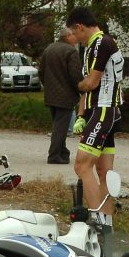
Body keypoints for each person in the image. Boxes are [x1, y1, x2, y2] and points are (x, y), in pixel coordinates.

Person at [66, 7, 124, 223]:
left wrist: (77, 85)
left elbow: (90, 83)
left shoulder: (103, 43)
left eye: (74, 33)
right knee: (103, 171)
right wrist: (81, 115)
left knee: (81, 165)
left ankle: (97, 221)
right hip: (96, 111)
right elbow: (88, 89)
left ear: (80, 27)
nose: (74, 38)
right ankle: (106, 223)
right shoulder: (91, 47)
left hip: (103, 110)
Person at [38, 26, 82, 164]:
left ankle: (63, 152)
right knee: (60, 128)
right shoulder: (70, 51)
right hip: (66, 95)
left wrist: (48, 86)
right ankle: (54, 155)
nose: (77, 38)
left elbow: (41, 71)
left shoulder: (49, 49)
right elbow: (75, 75)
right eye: (74, 35)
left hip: (50, 94)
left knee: (58, 125)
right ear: (68, 36)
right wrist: (82, 89)